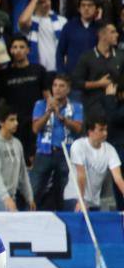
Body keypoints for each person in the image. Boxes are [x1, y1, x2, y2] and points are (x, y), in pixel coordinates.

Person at [31, 74, 85, 210]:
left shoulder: (76, 107)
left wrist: (61, 117)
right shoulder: (40, 104)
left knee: (63, 191)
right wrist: (49, 112)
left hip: (66, 154)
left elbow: (78, 128)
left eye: (62, 86)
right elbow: (36, 128)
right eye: (55, 85)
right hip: (44, 152)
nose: (57, 89)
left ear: (68, 89)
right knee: (34, 189)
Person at [0, 35, 49, 158]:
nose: (18, 50)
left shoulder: (39, 70)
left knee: (35, 158)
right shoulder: (5, 74)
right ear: (10, 50)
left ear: (28, 50)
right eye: (14, 47)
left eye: (22, 47)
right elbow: (2, 101)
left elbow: (47, 96)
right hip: (15, 124)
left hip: (36, 121)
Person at [0, 104, 35, 211]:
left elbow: (23, 174)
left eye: (16, 119)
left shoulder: (17, 144)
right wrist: (6, 198)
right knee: (12, 216)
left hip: (10, 196)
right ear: (1, 122)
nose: (16, 123)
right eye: (11, 120)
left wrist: (30, 198)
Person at [63, 116, 124, 211]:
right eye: (101, 130)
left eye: (106, 129)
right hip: (75, 197)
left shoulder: (110, 150)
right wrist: (81, 200)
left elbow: (118, 178)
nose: (105, 133)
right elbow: (81, 175)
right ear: (90, 132)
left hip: (94, 201)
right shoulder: (78, 146)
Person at [73, 22, 123, 117]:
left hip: (115, 110)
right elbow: (76, 82)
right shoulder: (87, 57)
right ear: (102, 35)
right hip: (93, 109)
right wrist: (98, 84)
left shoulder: (121, 56)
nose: (117, 34)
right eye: (112, 32)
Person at [18, 0, 66, 72]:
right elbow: (23, 21)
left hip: (59, 70)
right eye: (42, 2)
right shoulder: (31, 21)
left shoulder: (62, 21)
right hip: (37, 71)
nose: (47, 4)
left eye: (48, 0)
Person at [55, 0, 100, 74]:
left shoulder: (101, 28)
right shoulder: (69, 27)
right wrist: (61, 73)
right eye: (83, 5)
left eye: (90, 5)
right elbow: (60, 52)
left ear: (96, 9)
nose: (86, 8)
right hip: (73, 75)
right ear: (78, 9)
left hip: (94, 76)